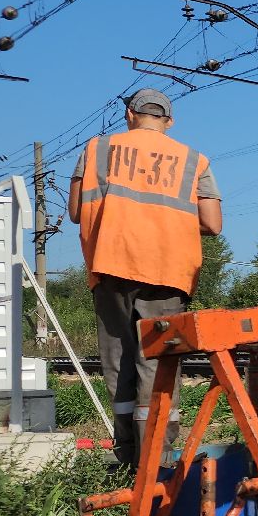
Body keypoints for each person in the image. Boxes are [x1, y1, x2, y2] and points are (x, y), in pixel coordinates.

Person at [69, 90, 223, 465]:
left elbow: (76, 211)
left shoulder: (96, 151)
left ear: (129, 114)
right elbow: (213, 224)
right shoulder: (194, 160)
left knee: (118, 362)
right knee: (157, 365)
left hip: (111, 263)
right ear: (169, 122)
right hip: (168, 272)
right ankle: (158, 462)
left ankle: (126, 454)